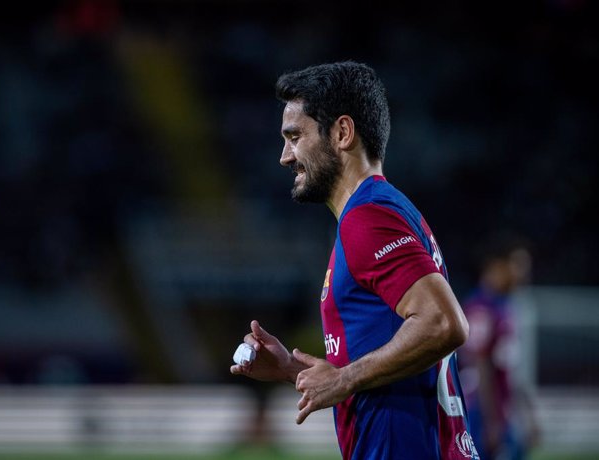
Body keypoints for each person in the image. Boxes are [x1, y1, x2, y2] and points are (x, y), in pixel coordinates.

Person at [230, 61, 480, 460]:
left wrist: (344, 378)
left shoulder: (369, 218)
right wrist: (296, 372)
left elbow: (443, 323)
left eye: (295, 136)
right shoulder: (385, 211)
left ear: (342, 133)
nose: (284, 156)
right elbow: (388, 360)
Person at [459, 235, 540, 460]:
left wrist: (527, 415)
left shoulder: (506, 307)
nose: (523, 273)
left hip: (502, 412)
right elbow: (481, 365)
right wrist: (491, 423)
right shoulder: (481, 308)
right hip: (480, 412)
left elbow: (510, 370)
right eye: (518, 265)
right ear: (497, 265)